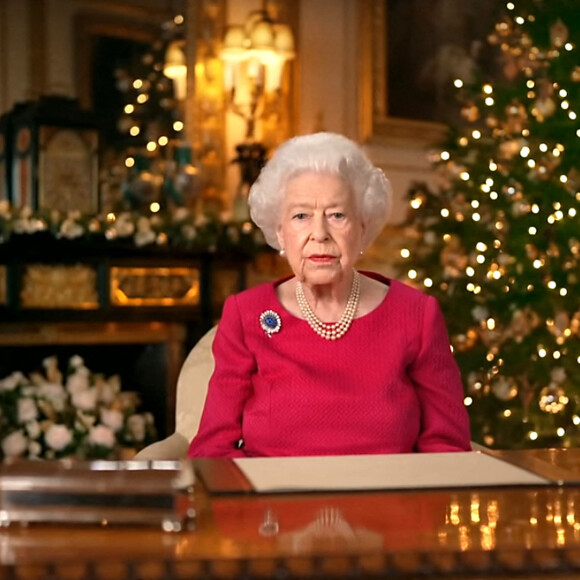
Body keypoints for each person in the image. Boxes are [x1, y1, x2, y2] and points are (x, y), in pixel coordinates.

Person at [188, 132, 471, 458]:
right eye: (301, 216)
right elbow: (213, 451)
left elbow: (447, 449)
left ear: (363, 228)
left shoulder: (416, 316)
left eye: (337, 215)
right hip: (274, 504)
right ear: (280, 231)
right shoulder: (245, 315)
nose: (319, 234)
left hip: (387, 503)